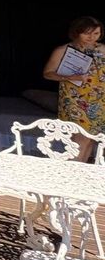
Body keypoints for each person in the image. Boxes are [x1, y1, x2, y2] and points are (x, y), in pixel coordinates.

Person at [42, 16, 105, 163]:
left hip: (99, 101)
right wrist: (68, 77)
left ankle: (83, 173)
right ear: (77, 32)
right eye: (87, 33)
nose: (91, 37)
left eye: (96, 33)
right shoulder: (63, 50)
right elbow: (47, 73)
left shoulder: (102, 49)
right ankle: (72, 175)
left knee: (91, 139)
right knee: (79, 140)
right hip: (76, 101)